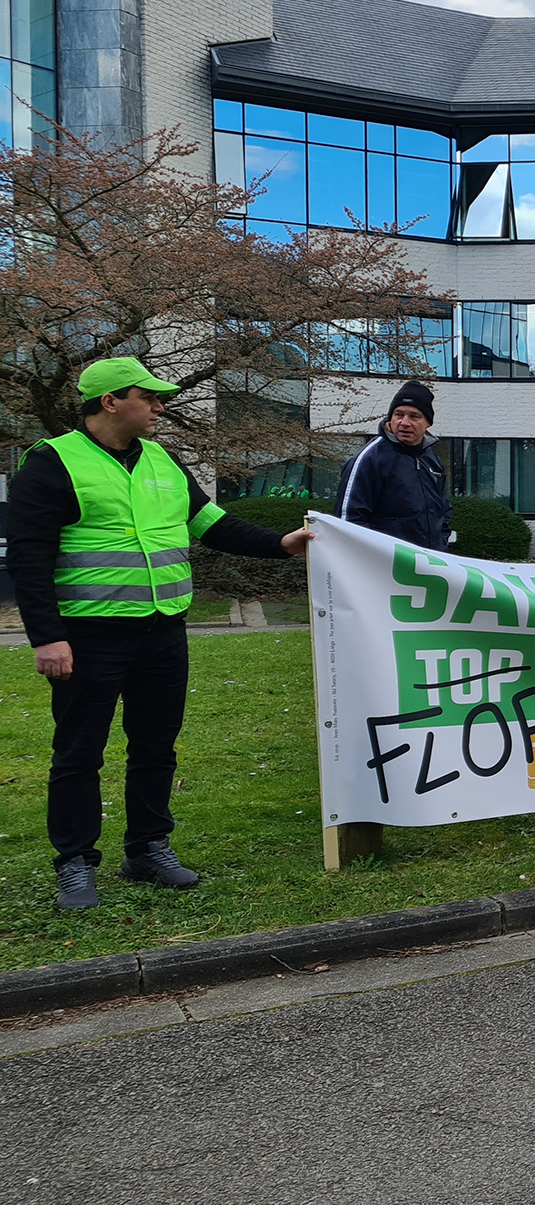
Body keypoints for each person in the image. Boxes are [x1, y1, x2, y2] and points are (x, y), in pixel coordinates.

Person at [8, 358, 312, 911]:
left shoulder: (163, 461)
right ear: (109, 402)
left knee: (155, 747)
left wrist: (280, 544)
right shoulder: (53, 463)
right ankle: (75, 863)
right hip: (88, 636)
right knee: (79, 752)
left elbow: (210, 523)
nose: (160, 406)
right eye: (148, 397)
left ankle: (147, 848)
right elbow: (29, 559)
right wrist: (47, 638)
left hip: (163, 632)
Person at [334, 380, 451, 550]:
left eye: (414, 416)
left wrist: (442, 544)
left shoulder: (432, 460)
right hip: (384, 567)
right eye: (398, 415)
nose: (404, 422)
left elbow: (443, 512)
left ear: (428, 424)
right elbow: (349, 521)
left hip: (427, 565)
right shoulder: (370, 459)